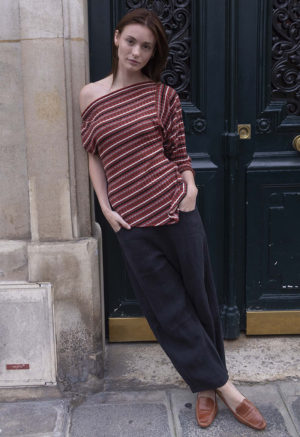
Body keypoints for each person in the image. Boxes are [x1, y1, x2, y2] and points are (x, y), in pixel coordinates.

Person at [79, 7, 266, 431]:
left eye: (146, 46)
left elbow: (179, 154)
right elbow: (93, 154)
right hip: (131, 222)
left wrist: (191, 189)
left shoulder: (163, 95)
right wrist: (106, 209)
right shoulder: (90, 95)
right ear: (115, 38)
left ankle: (205, 388)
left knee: (198, 298)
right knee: (166, 308)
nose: (136, 52)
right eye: (131, 41)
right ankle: (228, 389)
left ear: (152, 52)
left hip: (174, 207)